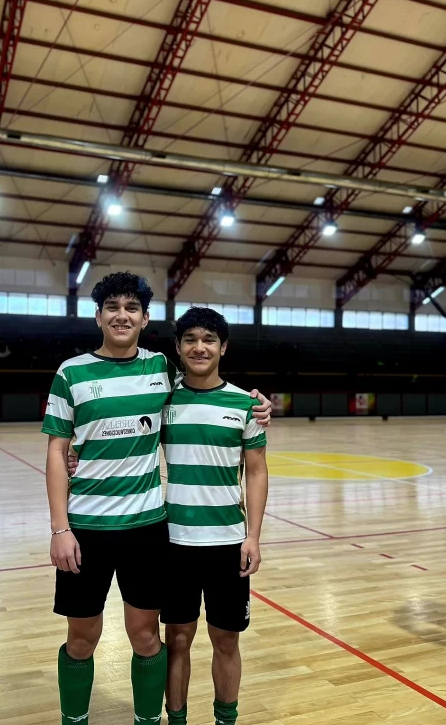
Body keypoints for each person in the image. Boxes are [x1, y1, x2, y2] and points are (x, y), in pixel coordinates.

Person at [41, 272, 271, 725]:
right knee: (81, 638)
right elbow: (56, 449)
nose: (122, 316)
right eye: (112, 307)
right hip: (85, 528)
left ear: (145, 319)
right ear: (98, 316)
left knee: (147, 637)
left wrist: (258, 404)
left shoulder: (161, 370)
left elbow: (208, 385)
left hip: (147, 529)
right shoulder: (71, 373)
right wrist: (59, 527)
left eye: (132, 308)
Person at [161, 307, 268, 725]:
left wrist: (253, 536)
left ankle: (226, 720)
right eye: (190, 339)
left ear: (223, 348)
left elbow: (256, 472)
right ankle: (177, 720)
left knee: (226, 640)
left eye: (209, 340)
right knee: (177, 639)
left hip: (228, 544)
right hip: (174, 542)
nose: (199, 347)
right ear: (178, 347)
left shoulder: (246, 404)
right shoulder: (164, 397)